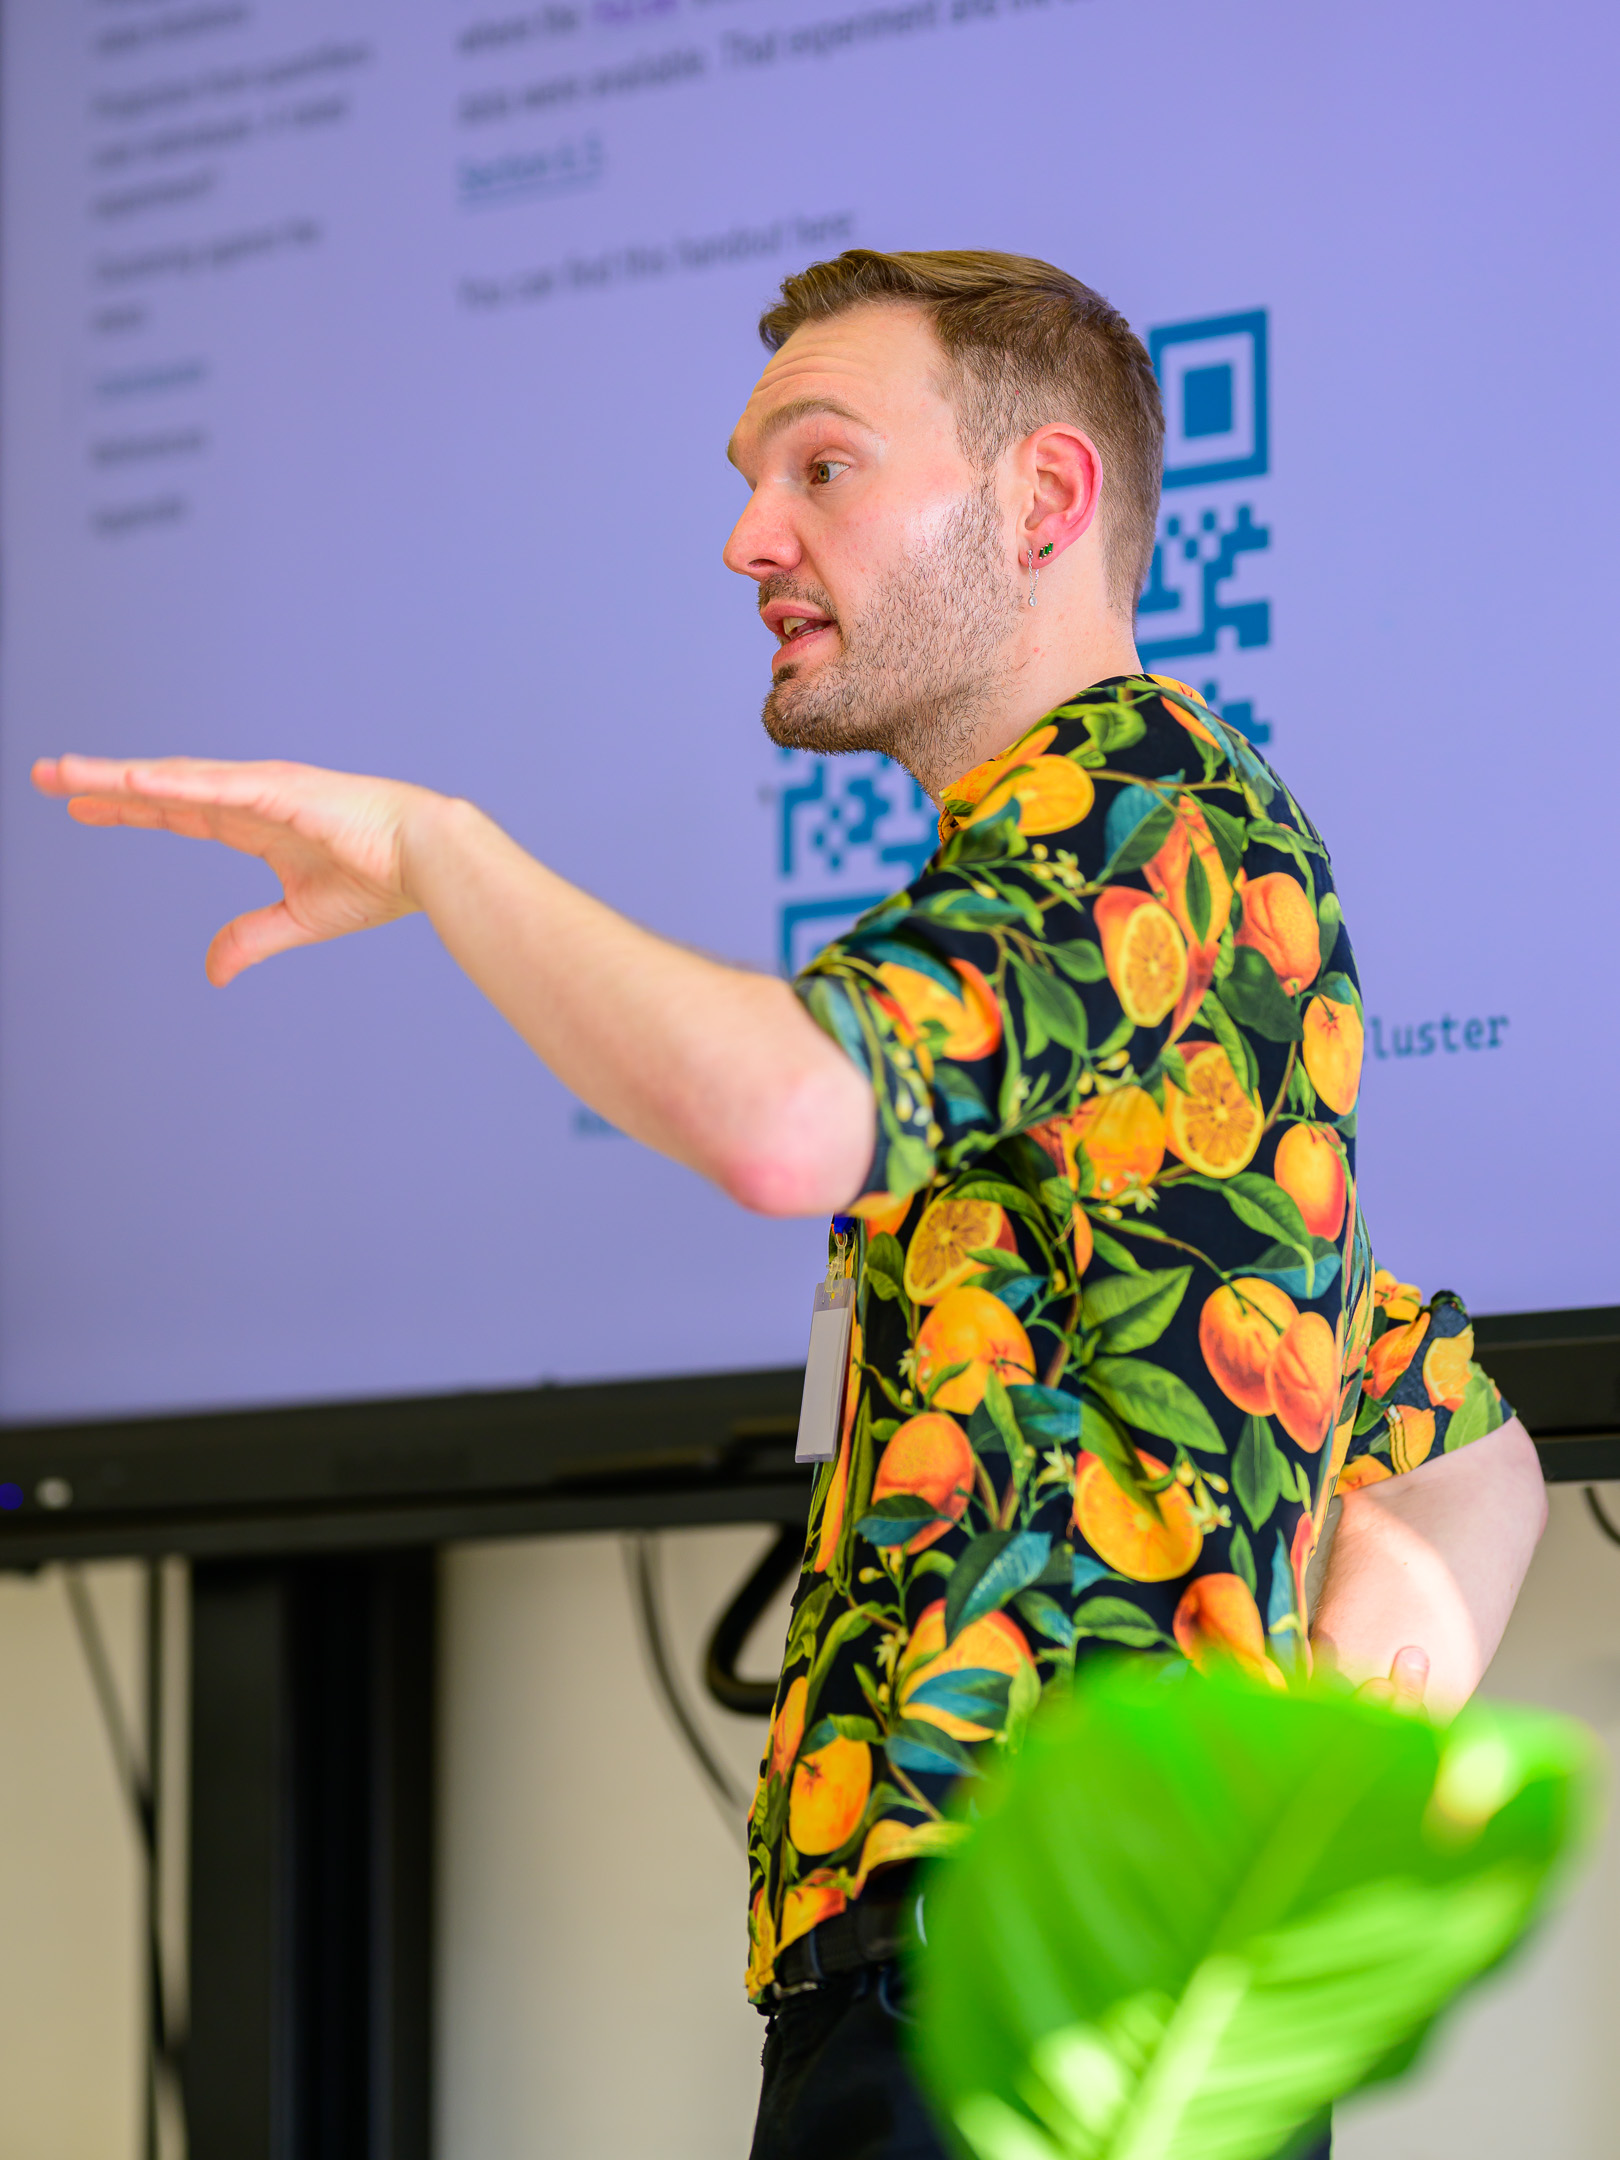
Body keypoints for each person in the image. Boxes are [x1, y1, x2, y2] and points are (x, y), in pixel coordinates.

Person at [33, 250, 1547, 2160]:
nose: (751, 537)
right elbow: (1463, 1457)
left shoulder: (1140, 812)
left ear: (1046, 498)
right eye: (753, 481)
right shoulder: (1129, 941)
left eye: (821, 467)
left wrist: (436, 850)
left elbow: (775, 1118)